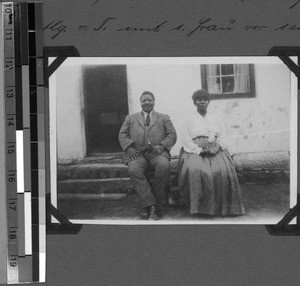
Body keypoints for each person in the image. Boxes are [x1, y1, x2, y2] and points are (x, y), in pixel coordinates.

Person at [177, 89, 245, 216]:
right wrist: (198, 150)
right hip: (195, 149)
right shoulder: (188, 117)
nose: (202, 102)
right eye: (199, 100)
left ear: (208, 102)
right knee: (196, 169)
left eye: (205, 99)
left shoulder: (215, 117)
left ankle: (223, 207)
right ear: (194, 102)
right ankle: (200, 208)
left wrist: (217, 147)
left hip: (214, 148)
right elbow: (185, 138)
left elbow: (223, 135)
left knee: (222, 170)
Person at [118, 91, 177, 220]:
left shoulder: (163, 117)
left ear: (154, 101)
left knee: (164, 166)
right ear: (140, 102)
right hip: (137, 154)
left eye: (149, 100)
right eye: (144, 100)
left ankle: (151, 206)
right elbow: (122, 134)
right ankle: (152, 205)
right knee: (134, 170)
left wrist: (162, 146)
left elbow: (172, 135)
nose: (147, 102)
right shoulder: (131, 118)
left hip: (157, 153)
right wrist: (128, 148)